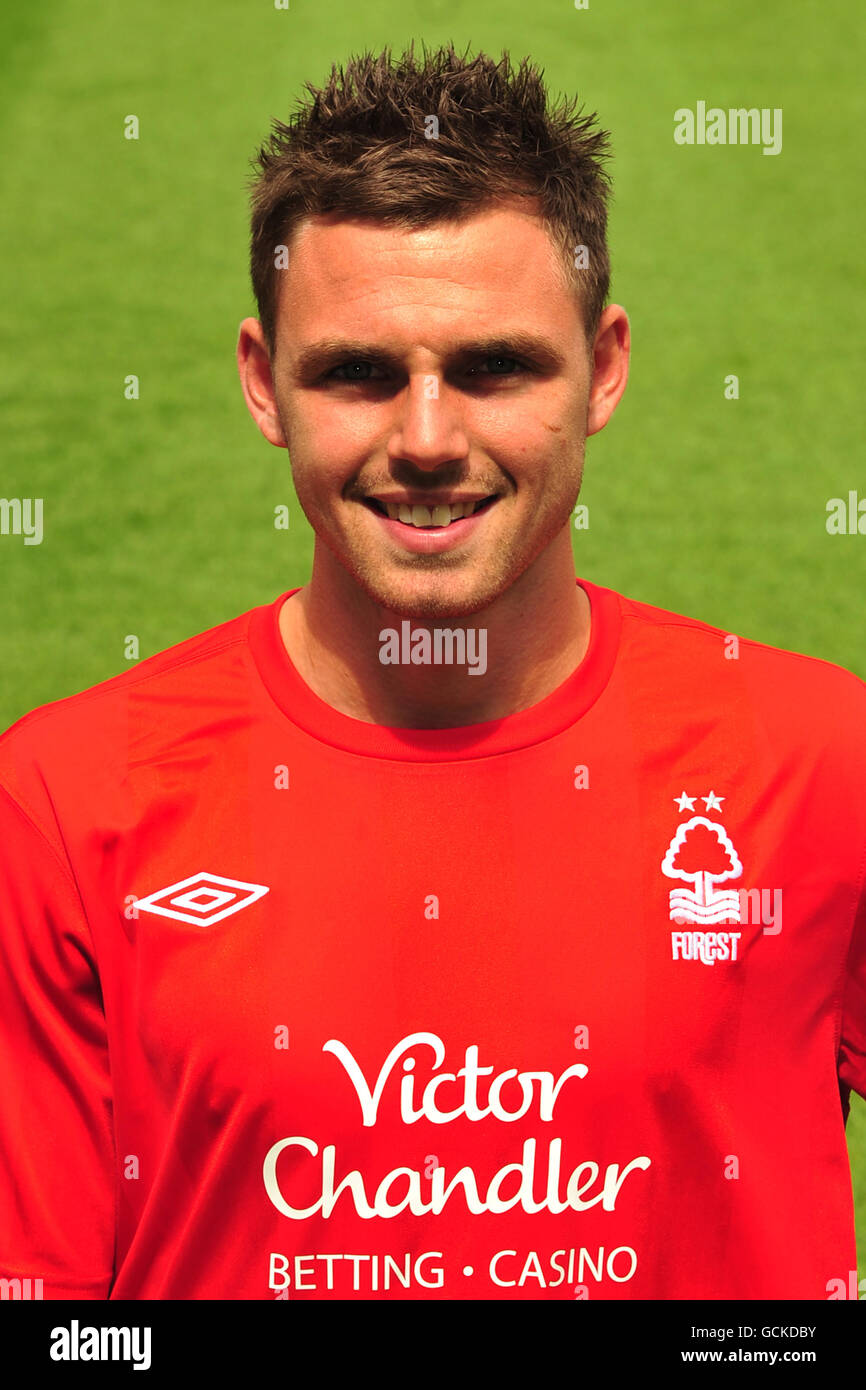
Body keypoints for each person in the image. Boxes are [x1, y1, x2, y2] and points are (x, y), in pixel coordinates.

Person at [1, 41, 864, 1302]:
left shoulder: (815, 758)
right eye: (356, 373)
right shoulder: (68, 804)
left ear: (603, 366)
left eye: (492, 367)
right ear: (262, 383)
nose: (424, 440)